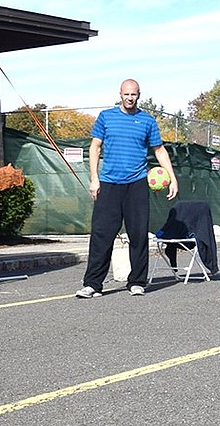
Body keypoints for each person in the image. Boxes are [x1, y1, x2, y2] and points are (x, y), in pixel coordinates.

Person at [76, 79, 178, 298]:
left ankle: (137, 281)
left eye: (134, 94)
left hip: (137, 185)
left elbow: (159, 150)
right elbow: (94, 146)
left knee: (138, 235)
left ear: (139, 95)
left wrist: (172, 178)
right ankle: (93, 284)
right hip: (109, 184)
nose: (130, 98)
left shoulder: (147, 121)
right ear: (120, 94)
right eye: (126, 94)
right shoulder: (106, 117)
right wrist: (94, 179)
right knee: (102, 234)